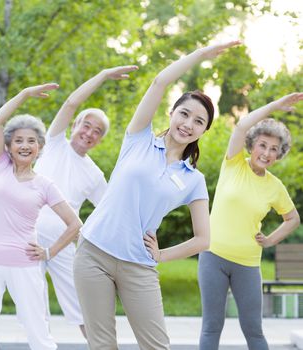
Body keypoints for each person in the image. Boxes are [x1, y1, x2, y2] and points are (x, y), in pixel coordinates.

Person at [73, 40, 240, 350]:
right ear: (172, 113)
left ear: (204, 131)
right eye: (185, 114)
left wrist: (162, 255)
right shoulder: (139, 139)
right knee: (101, 345)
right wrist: (202, 55)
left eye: (198, 121)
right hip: (93, 251)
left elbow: (204, 240)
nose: (188, 124)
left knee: (156, 347)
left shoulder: (194, 180)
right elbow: (161, 81)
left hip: (138, 264)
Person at [0, 83, 83, 350]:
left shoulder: (44, 184)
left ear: (40, 147)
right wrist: (24, 94)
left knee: (37, 330)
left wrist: (49, 252)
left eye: (31, 141)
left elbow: (75, 224)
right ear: (8, 146)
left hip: (24, 263)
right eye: (18, 140)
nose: (24, 145)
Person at [34, 65, 137, 337]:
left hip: (63, 245)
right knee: (34, 310)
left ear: (100, 141)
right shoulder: (53, 143)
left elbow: (110, 210)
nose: (89, 133)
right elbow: (71, 102)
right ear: (75, 126)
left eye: (97, 131)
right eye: (86, 125)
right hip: (28, 238)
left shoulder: (93, 173)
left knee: (83, 310)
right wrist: (103, 76)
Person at [198, 92, 302, 350]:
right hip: (213, 257)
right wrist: (276, 106)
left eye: (274, 149)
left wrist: (269, 241)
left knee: (253, 330)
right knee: (212, 326)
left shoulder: (275, 187)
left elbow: (292, 219)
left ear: (279, 155)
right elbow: (242, 125)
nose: (266, 153)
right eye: (263, 145)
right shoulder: (233, 164)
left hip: (247, 264)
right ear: (252, 145)